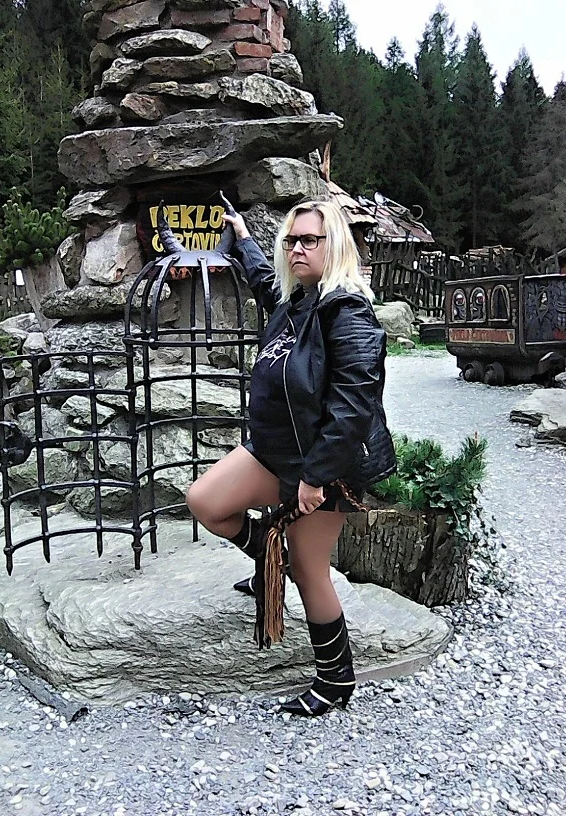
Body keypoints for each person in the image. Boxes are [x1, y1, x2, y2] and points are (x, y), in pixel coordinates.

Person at [186, 200, 396, 717]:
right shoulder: (294, 300)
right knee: (206, 501)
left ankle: (335, 679)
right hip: (273, 453)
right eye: (291, 240)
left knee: (309, 571)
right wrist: (243, 238)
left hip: (323, 468)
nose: (298, 248)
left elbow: (352, 406)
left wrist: (315, 478)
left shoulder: (346, 312)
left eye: (309, 240)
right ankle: (268, 555)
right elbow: (264, 281)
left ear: (334, 246)